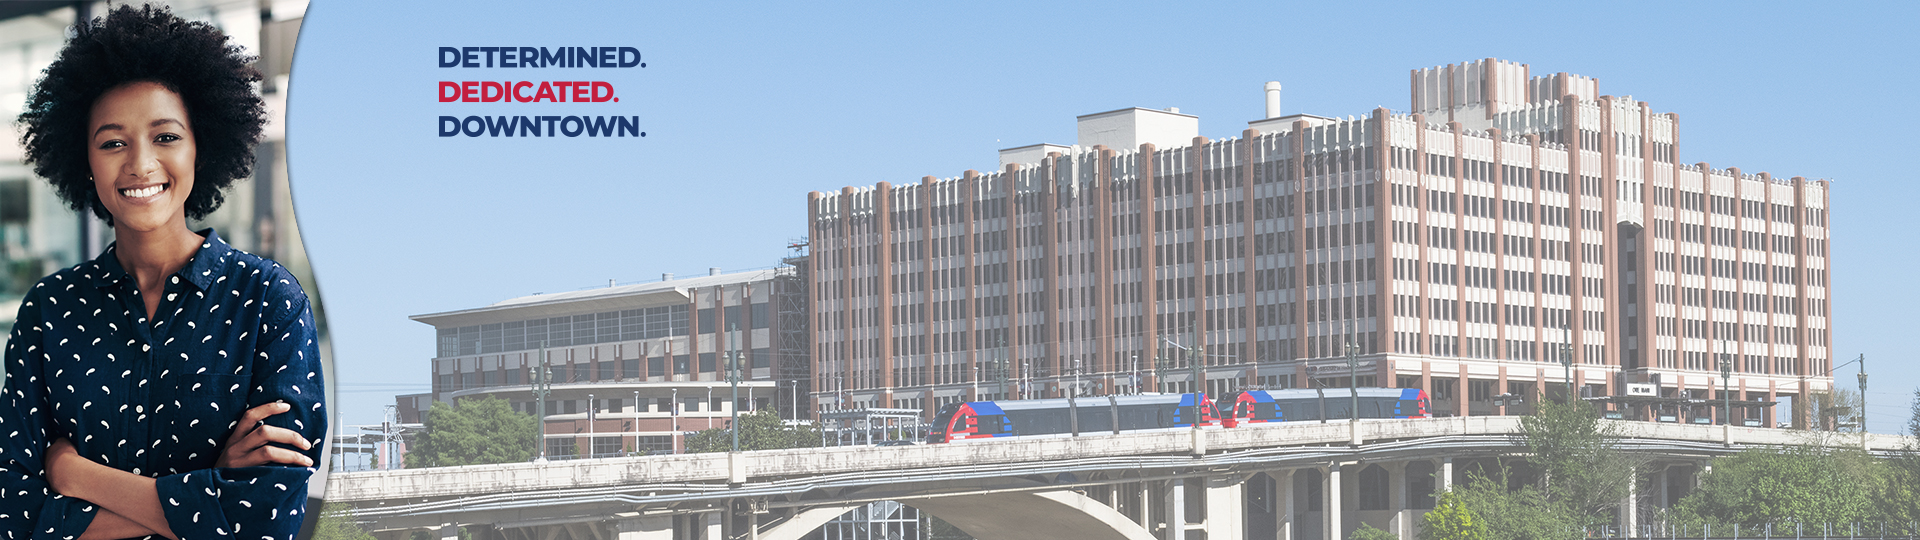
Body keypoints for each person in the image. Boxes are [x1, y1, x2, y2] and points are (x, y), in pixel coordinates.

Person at [6, 5, 326, 540]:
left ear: (201, 145)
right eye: (112, 142)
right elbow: (12, 515)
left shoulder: (268, 299)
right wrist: (211, 491)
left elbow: (269, 518)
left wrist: (72, 474)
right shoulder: (49, 310)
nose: (140, 164)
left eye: (166, 136)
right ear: (86, 160)